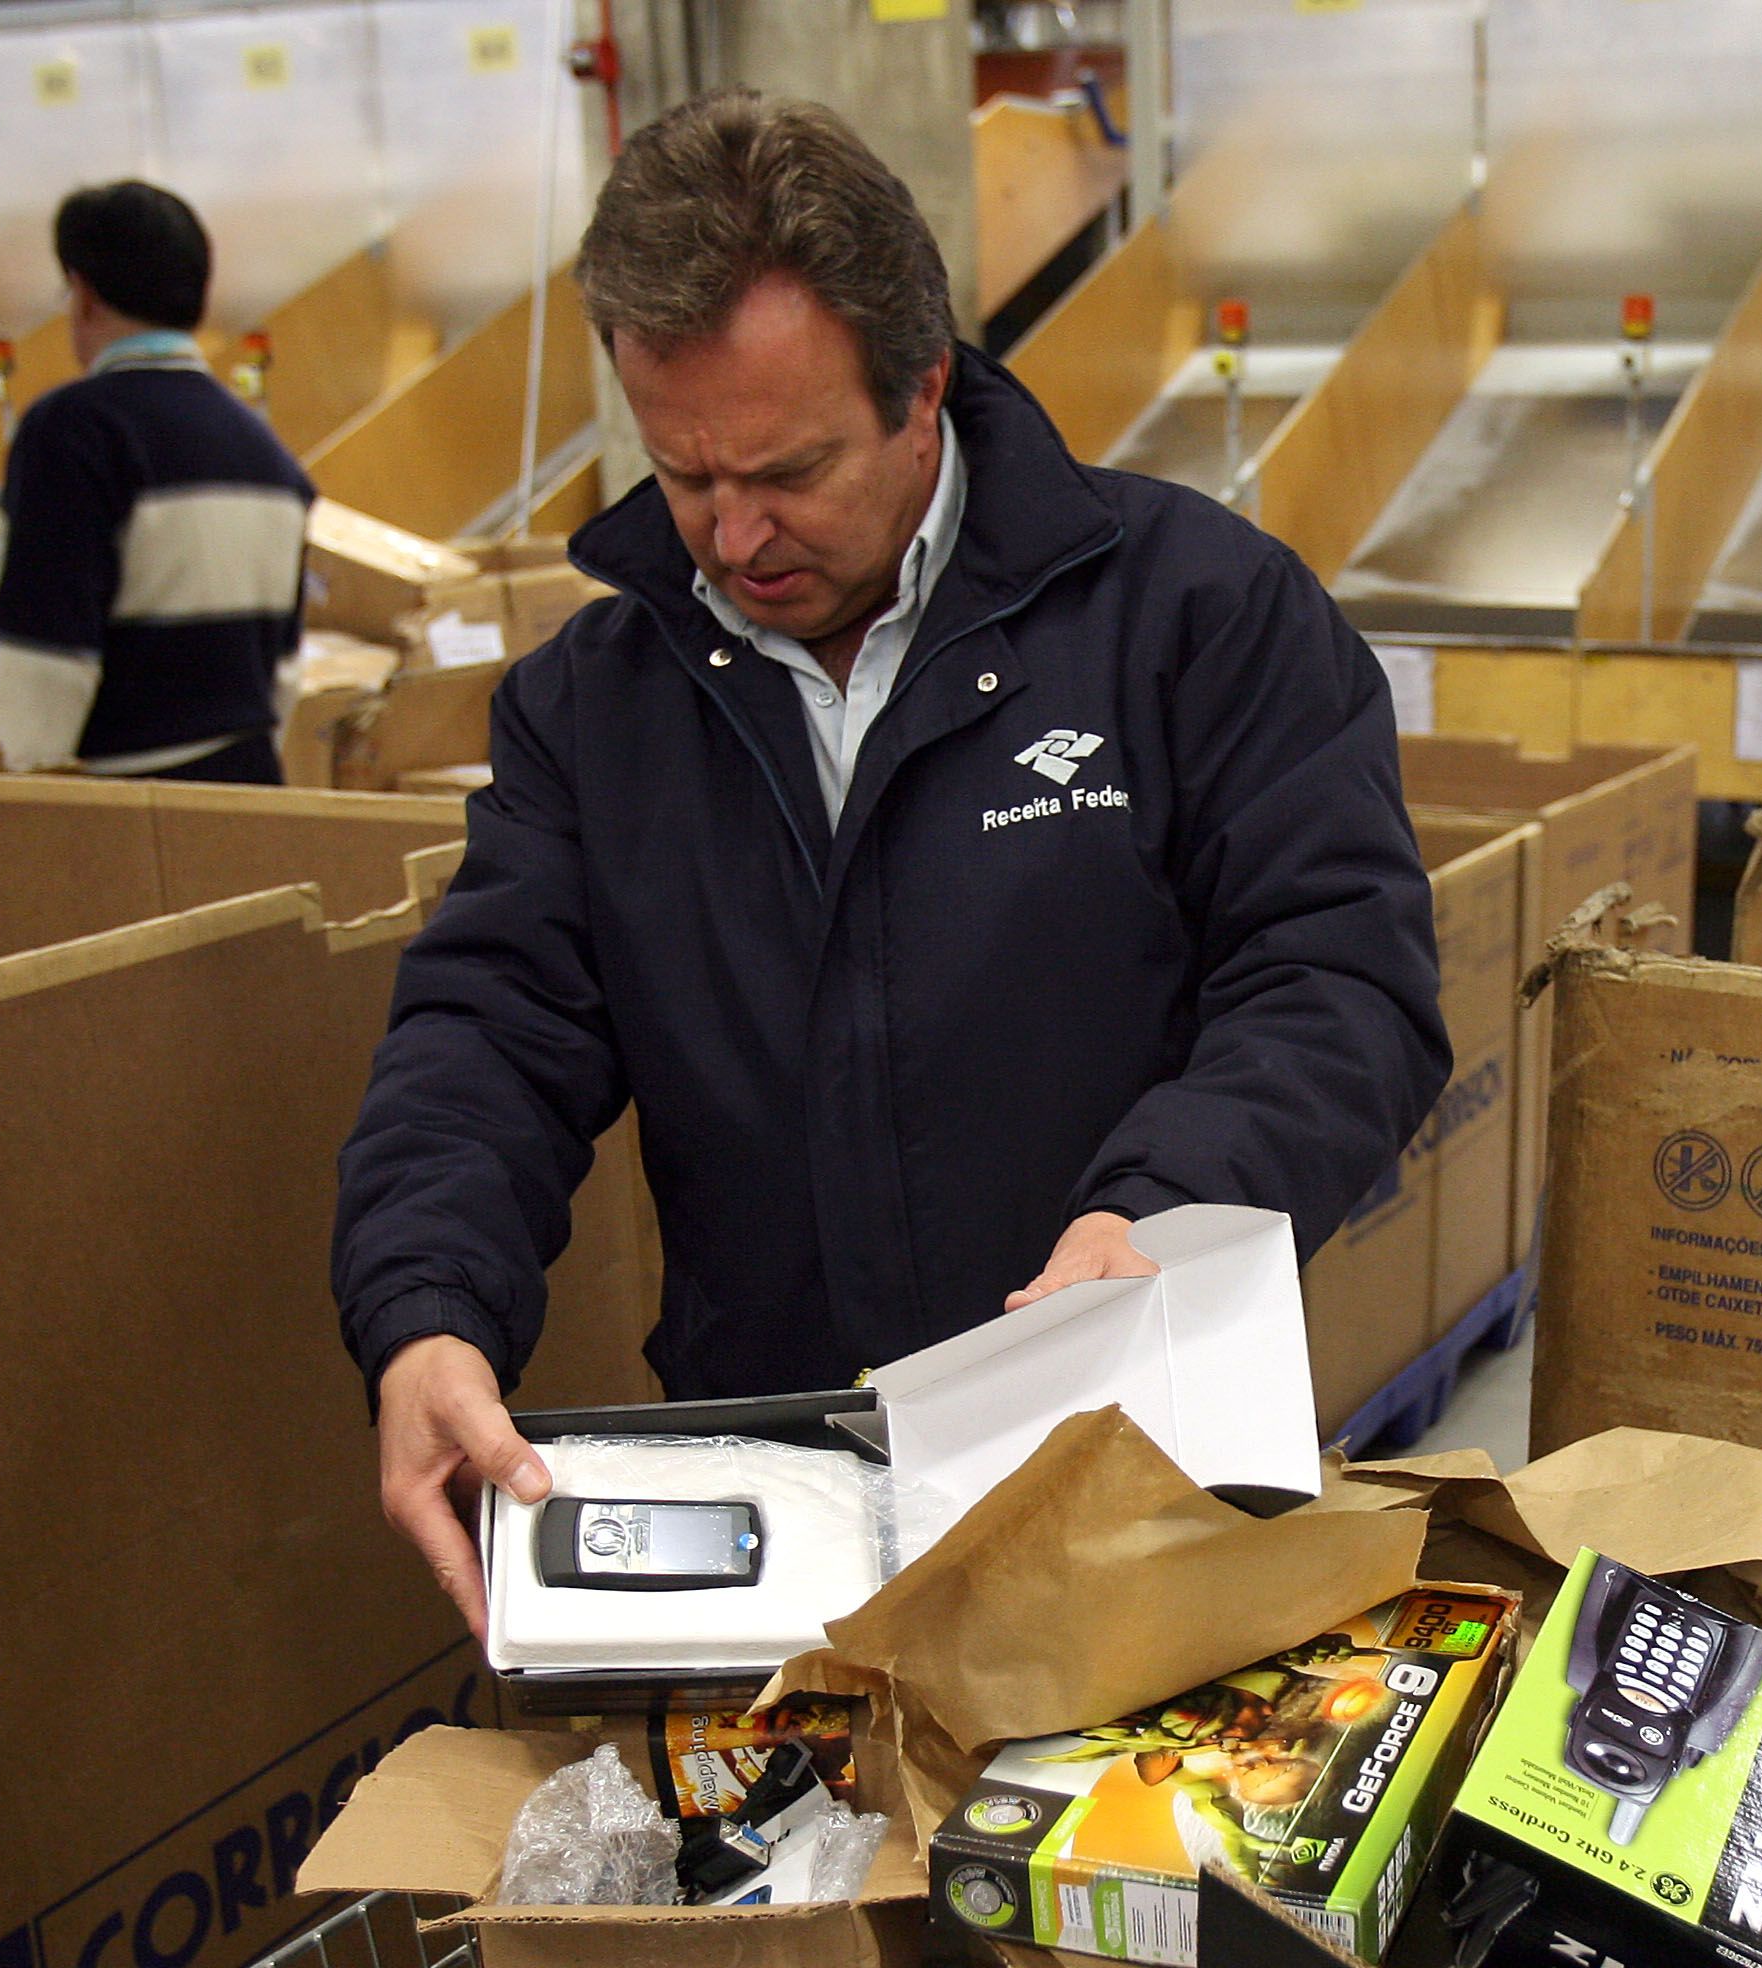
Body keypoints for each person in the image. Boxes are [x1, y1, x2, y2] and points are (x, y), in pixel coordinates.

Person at [333, 92, 1449, 1628]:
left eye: (788, 471)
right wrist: (426, 1311)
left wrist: (1169, 1211)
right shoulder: (594, 711)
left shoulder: (1196, 619)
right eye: (684, 477)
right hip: (782, 1499)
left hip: (1141, 1466)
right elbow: (486, 1041)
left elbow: (1339, 977)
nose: (734, 538)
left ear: (923, 388)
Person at [0, 181, 315, 783]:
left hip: (130, 801)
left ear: (83, 294)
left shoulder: (73, 430)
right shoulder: (269, 455)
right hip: (250, 787)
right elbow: (284, 672)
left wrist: (6, 803)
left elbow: (45, 660)